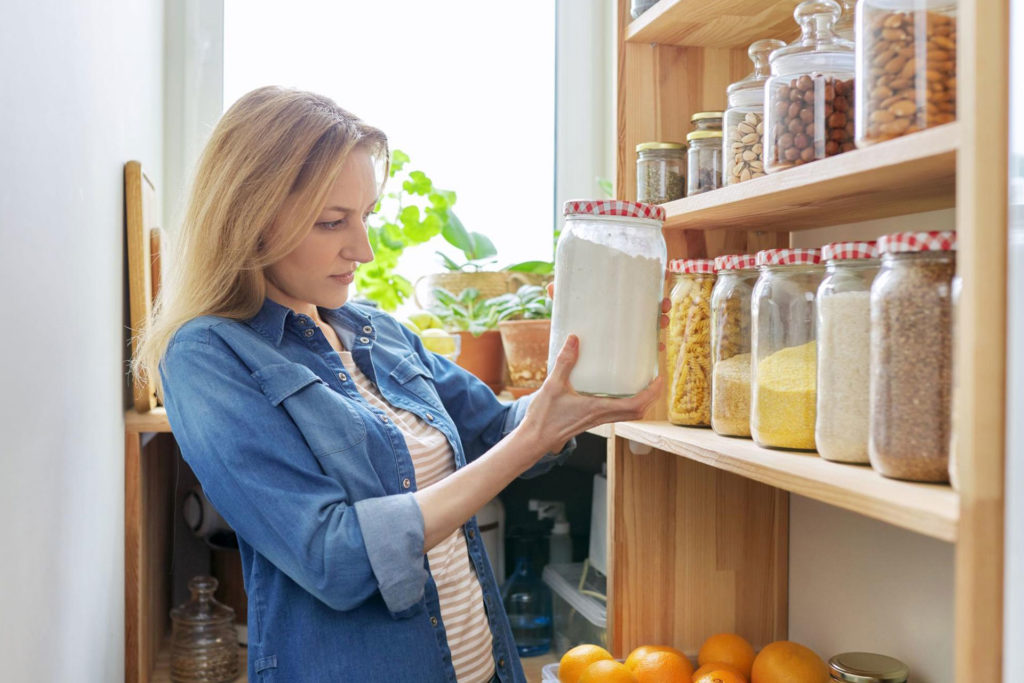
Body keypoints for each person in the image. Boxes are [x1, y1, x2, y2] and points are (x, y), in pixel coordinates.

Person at [133, 86, 662, 683]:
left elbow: (499, 431)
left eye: (366, 218)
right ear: (250, 217)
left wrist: (592, 343)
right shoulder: (208, 355)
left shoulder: (378, 332)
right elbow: (334, 557)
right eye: (333, 222)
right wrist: (530, 438)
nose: (360, 248)